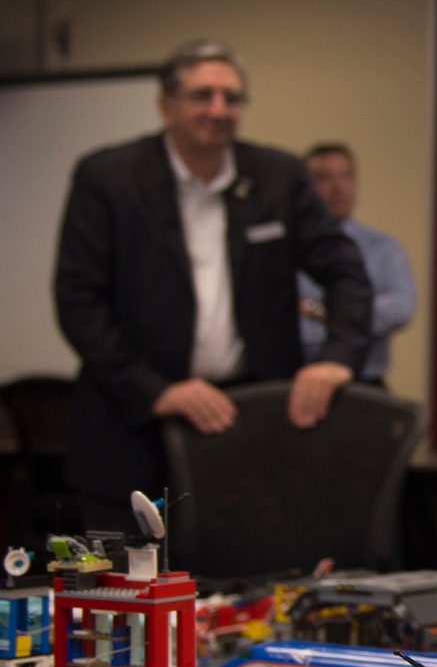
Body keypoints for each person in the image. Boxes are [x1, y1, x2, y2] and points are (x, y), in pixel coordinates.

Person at [54, 40, 372, 523]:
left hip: (248, 430)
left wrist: (336, 358)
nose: (218, 110)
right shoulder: (109, 178)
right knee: (127, 592)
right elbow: (78, 300)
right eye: (203, 95)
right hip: (131, 431)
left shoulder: (278, 177)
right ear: (167, 105)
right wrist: (155, 389)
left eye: (232, 98)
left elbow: (346, 269)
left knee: (251, 590)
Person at [297, 142, 415, 386]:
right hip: (297, 380)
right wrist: (359, 313)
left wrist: (314, 310)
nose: (338, 187)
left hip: (364, 380)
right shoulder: (286, 248)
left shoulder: (383, 248)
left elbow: (400, 309)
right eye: (325, 178)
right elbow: (278, 316)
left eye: (346, 176)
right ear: (305, 186)